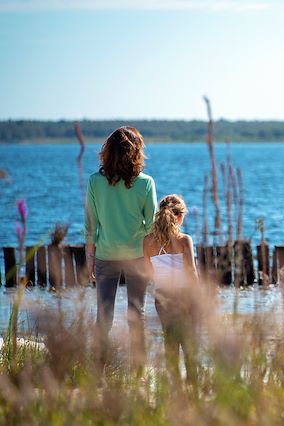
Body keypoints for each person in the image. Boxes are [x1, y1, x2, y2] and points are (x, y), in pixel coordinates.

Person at [85, 126, 157, 371]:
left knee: (103, 316)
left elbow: (91, 225)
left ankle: (98, 370)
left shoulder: (95, 181)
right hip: (137, 256)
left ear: (107, 152)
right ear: (137, 152)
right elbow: (152, 227)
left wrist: (90, 258)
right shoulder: (146, 183)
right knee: (137, 314)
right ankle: (139, 371)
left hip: (106, 254)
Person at [143, 195, 200, 386]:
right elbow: (191, 270)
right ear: (179, 216)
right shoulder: (184, 240)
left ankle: (174, 383)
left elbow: (150, 273)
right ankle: (192, 382)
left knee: (170, 339)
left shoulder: (148, 242)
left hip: (162, 297)